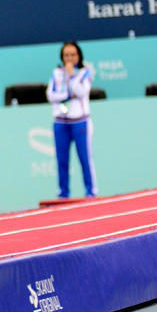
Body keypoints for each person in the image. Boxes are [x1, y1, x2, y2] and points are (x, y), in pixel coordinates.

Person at [46, 41, 96, 199]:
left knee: (85, 158)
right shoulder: (56, 73)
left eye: (73, 55)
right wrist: (67, 95)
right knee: (62, 160)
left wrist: (71, 75)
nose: (69, 58)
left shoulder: (84, 73)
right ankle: (63, 193)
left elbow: (81, 92)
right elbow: (51, 95)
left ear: (78, 56)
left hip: (80, 121)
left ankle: (90, 192)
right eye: (66, 55)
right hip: (60, 122)